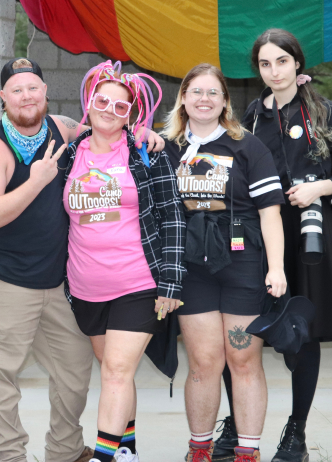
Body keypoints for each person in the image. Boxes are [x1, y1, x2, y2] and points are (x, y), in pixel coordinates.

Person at [0, 56, 165, 462]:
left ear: (45, 92)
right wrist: (36, 180)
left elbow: (107, 126)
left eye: (33, 88)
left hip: (60, 281)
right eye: (16, 90)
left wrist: (142, 131)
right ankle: (8, 455)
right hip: (5, 279)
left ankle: (66, 450)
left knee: (74, 374)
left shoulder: (62, 128)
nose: (27, 96)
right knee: (0, 375)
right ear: (2, 97)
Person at [210, 28, 332, 462]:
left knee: (304, 333)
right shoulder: (251, 117)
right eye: (265, 63)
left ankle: (296, 430)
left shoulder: (323, 112)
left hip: (308, 239)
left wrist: (319, 186)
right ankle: (237, 423)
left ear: (297, 63)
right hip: (256, 235)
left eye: (282, 61)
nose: (274, 71)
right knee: (237, 330)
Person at [163, 63, 287, 462]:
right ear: (183, 97)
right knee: (203, 361)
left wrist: (276, 267)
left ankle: (246, 452)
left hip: (241, 264)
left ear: (224, 102)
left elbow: (270, 213)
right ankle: (200, 448)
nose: (204, 99)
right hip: (191, 267)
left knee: (242, 358)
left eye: (212, 92)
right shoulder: (166, 147)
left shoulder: (247, 146)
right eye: (196, 91)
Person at [62, 61, 185, 462]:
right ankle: (127, 447)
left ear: (132, 115)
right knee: (114, 370)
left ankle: (103, 455)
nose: (110, 111)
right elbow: (34, 116)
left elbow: (173, 218)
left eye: (121, 107)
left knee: (116, 370)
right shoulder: (67, 154)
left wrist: (170, 284)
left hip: (137, 281)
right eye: (103, 101)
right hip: (85, 286)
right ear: (89, 101)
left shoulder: (147, 154)